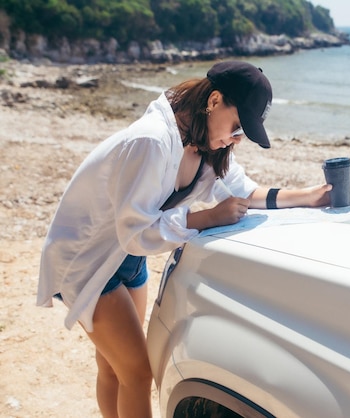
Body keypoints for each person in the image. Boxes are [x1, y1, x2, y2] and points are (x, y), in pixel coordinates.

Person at [37, 60, 332, 418]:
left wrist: (308, 196)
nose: (236, 138)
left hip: (130, 259)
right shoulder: (152, 140)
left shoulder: (209, 146)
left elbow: (246, 191)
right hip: (88, 259)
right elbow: (137, 232)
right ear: (215, 100)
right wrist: (207, 217)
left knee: (115, 367)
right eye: (237, 125)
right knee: (138, 372)